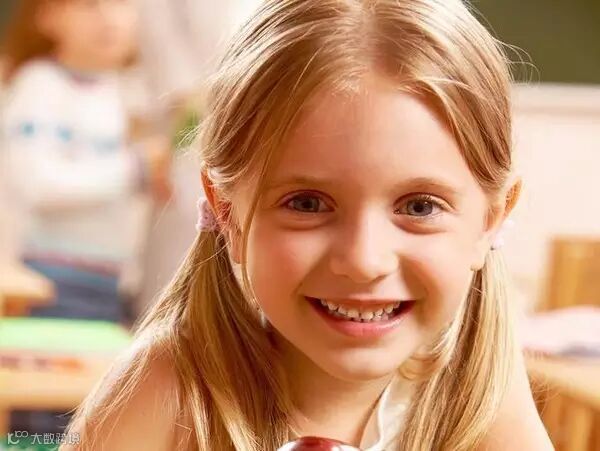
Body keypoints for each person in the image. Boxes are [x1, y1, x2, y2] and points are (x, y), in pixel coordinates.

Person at [61, 0, 554, 449]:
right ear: (227, 212)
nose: (363, 260)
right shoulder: (164, 394)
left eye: (420, 207)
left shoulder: (482, 389)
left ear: (491, 220)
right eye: (308, 203)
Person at [0, 0, 170, 323]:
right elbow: (39, 185)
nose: (109, 17)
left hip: (114, 284)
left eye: (122, 4)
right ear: (48, 16)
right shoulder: (40, 85)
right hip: (50, 282)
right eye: (90, 4)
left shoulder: (130, 94)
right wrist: (135, 169)